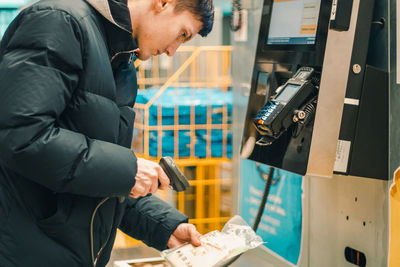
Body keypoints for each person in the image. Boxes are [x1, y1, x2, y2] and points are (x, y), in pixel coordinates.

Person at [0, 0, 214, 266]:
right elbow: (22, 136)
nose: (173, 50)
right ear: (163, 3)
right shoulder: (59, 21)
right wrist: (128, 170)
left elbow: (96, 175)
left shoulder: (120, 61)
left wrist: (163, 227)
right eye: (182, 34)